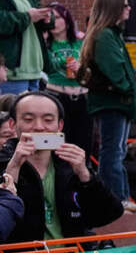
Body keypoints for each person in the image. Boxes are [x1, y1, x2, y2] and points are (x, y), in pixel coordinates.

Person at [0, 91, 124, 242]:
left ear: (60, 125)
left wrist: (86, 177)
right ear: (13, 124)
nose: (39, 127)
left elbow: (108, 214)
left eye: (48, 120)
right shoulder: (5, 161)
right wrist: (12, 168)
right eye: (28, 119)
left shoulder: (70, 163)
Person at [78, 0, 136, 207]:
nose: (129, 8)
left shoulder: (108, 34)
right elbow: (115, 70)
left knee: (115, 152)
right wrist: (127, 90)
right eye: (124, 5)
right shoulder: (105, 36)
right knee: (113, 153)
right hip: (113, 102)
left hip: (114, 101)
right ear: (113, 8)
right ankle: (116, 199)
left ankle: (119, 198)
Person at [0, 0, 50, 95]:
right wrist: (27, 17)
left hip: (33, 71)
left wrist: (47, 18)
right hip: (10, 75)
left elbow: (38, 8)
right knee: (12, 118)